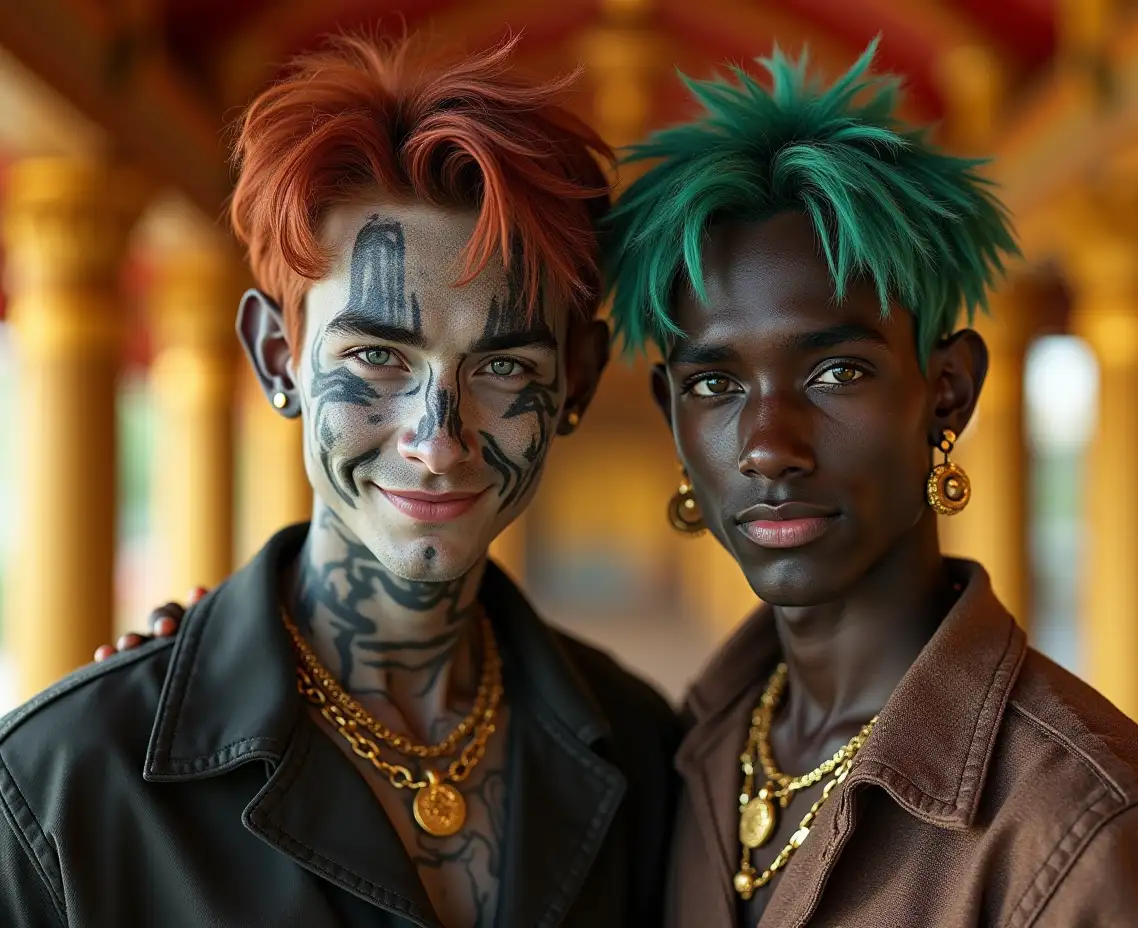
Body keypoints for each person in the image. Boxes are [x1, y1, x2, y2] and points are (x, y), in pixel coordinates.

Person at [0, 33, 680, 928]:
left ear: (577, 380)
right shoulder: (66, 783)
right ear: (276, 357)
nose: (437, 441)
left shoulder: (645, 752)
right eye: (375, 358)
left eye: (504, 368)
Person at [599, 42, 1138, 927]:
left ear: (947, 394)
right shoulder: (689, 751)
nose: (768, 449)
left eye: (836, 373)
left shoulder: (1087, 838)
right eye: (716, 385)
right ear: (672, 414)